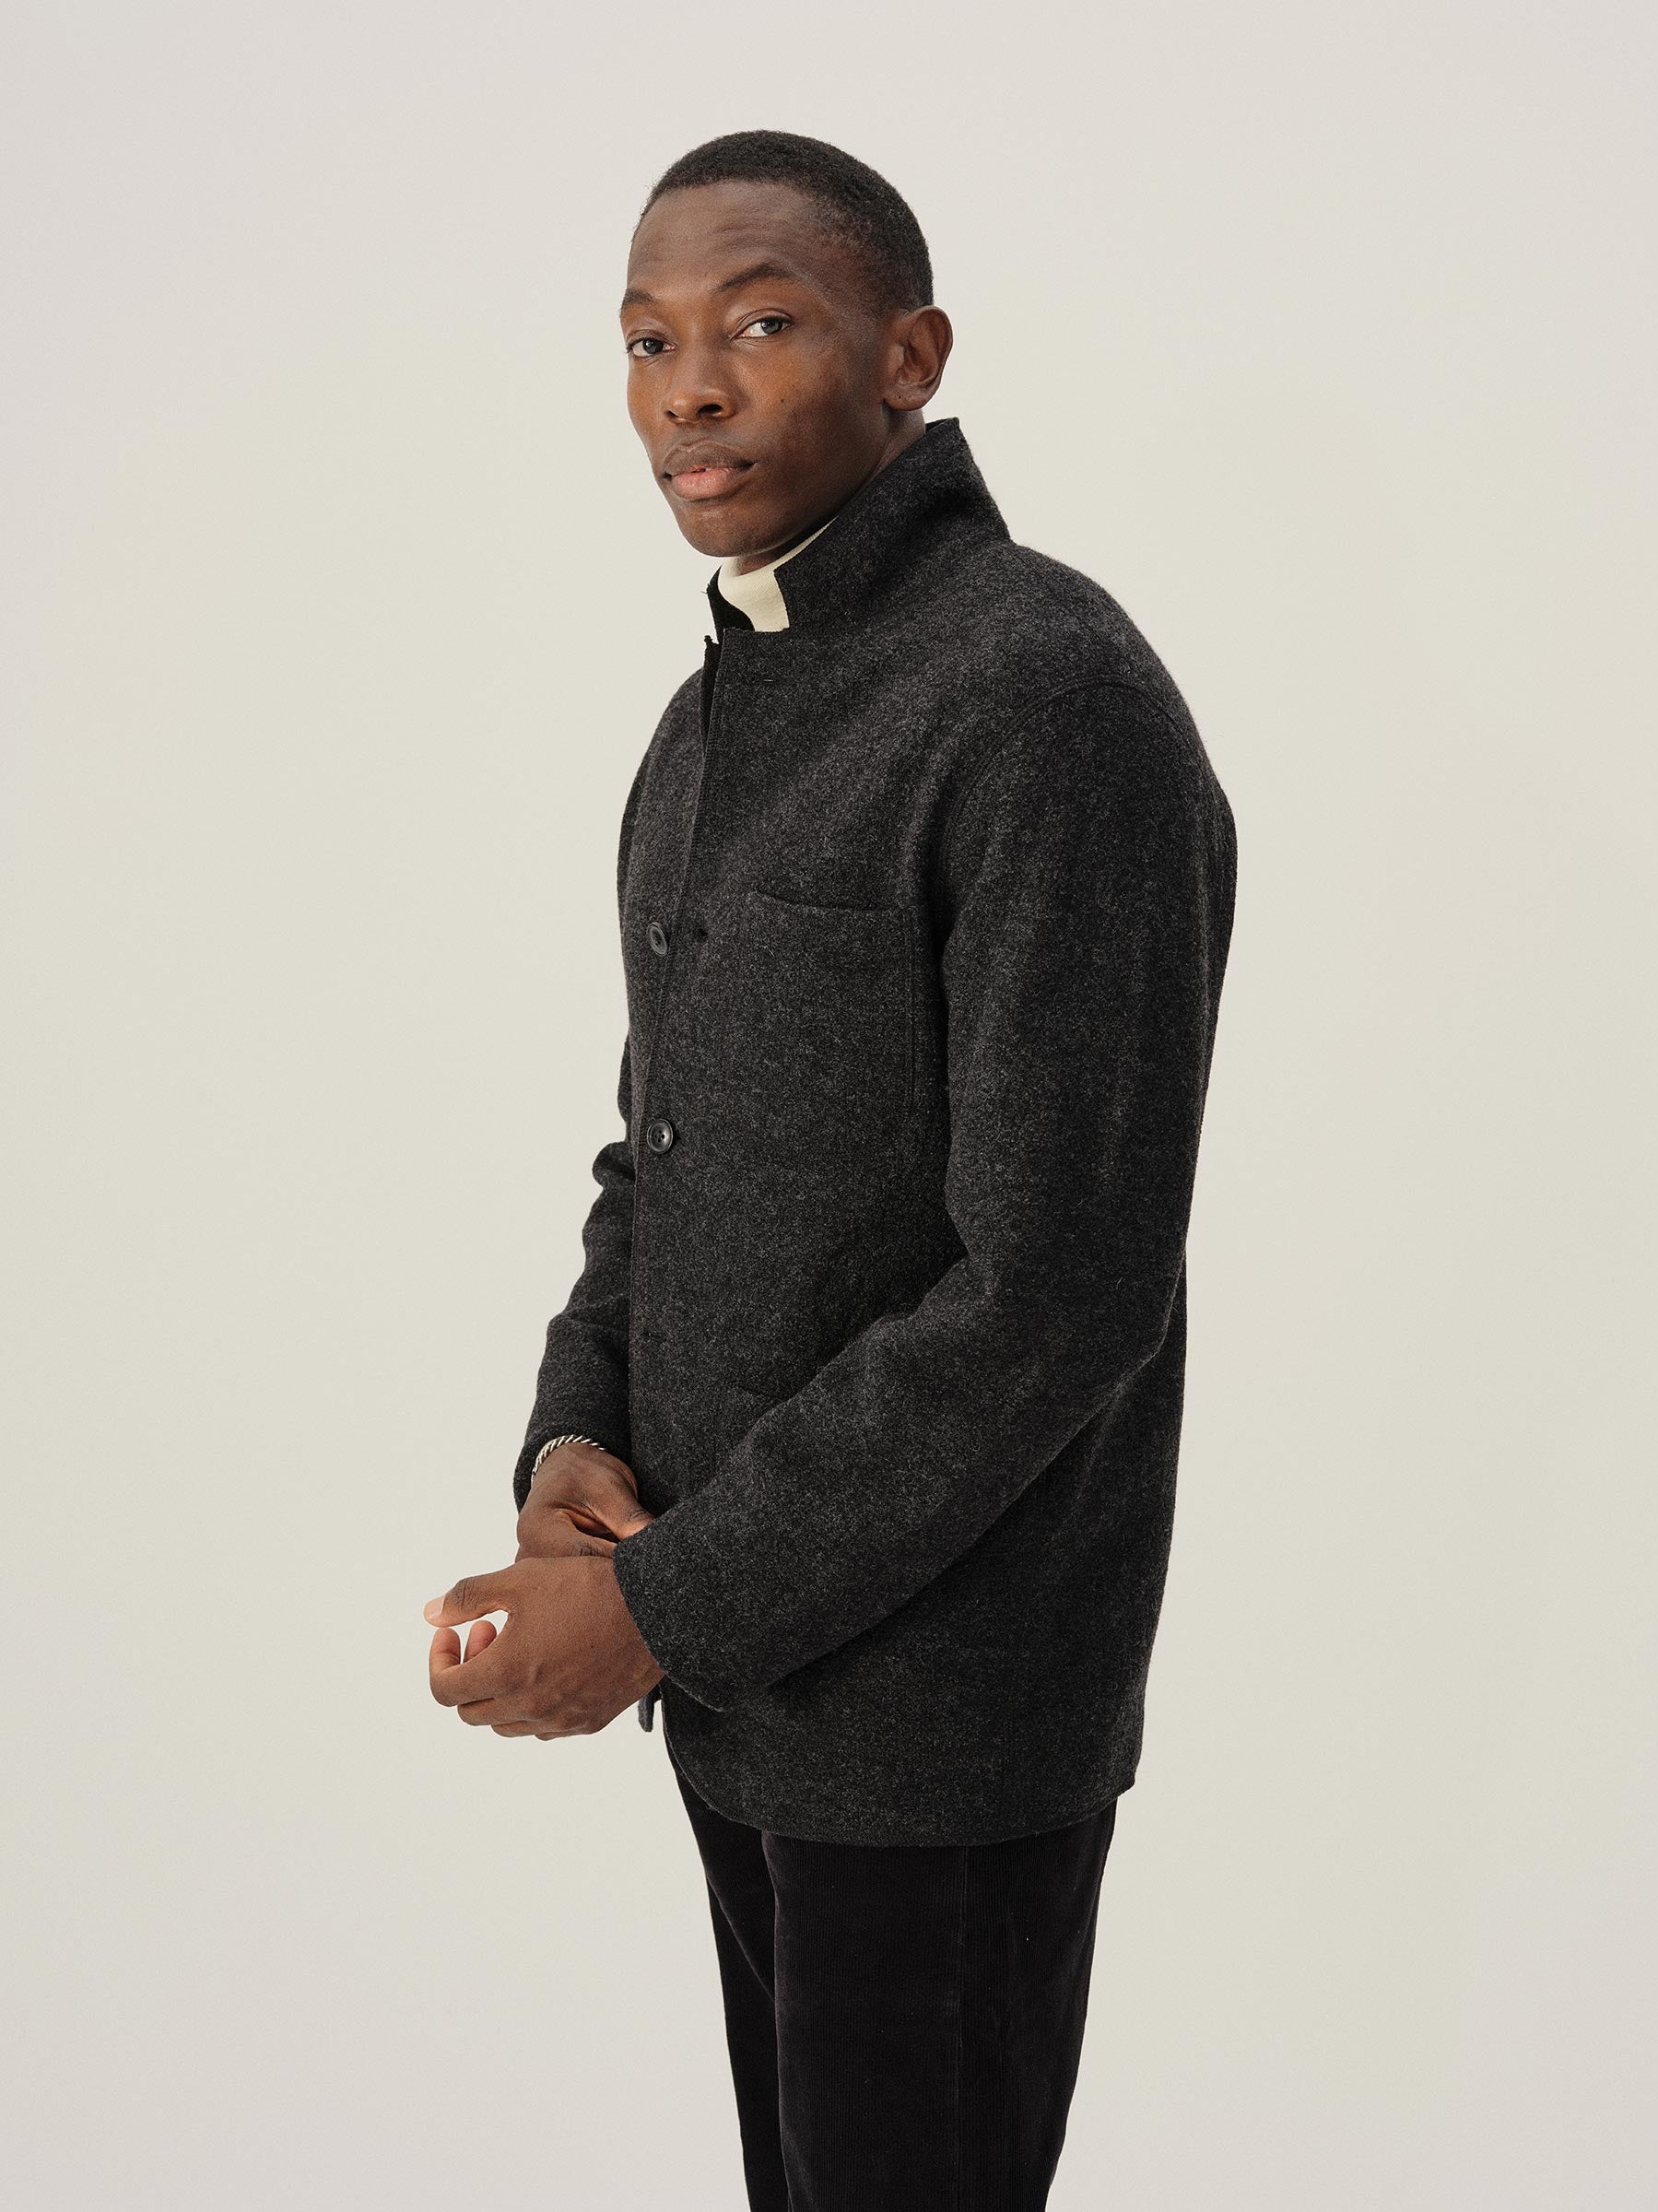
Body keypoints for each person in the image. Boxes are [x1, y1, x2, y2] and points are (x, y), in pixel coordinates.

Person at [424, 128, 1239, 2210]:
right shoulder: (710, 720)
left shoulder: (1042, 695)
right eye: (646, 341)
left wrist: (657, 1610)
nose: (690, 388)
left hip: (944, 1725)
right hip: (745, 1686)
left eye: (762, 321)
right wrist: (574, 1445)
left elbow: (1056, 1290)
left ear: (910, 357)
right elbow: (658, 1151)